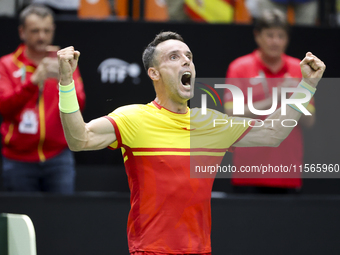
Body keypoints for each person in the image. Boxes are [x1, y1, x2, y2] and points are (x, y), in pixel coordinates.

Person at [57, 31, 325, 254]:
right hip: (150, 250)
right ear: (154, 73)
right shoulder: (133, 117)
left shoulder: (212, 123)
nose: (186, 61)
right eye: (174, 57)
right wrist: (66, 83)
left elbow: (273, 132)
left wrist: (307, 86)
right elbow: (80, 139)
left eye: (189, 56)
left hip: (200, 249)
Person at [224, 9, 315, 194]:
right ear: (258, 36)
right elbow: (231, 114)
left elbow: (310, 120)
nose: (275, 41)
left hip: (286, 170)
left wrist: (295, 98)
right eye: (270, 35)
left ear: (287, 39)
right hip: (248, 171)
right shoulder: (239, 67)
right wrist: (276, 96)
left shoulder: (299, 69)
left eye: (281, 36)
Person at [0, 4, 86, 193]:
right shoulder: (7, 64)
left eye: (46, 30)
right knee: (22, 217)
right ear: (22, 32)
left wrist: (65, 79)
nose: (41, 36)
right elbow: (4, 107)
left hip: (58, 157)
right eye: (35, 31)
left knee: (61, 217)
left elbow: (79, 104)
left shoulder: (64, 63)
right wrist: (33, 81)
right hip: (18, 159)